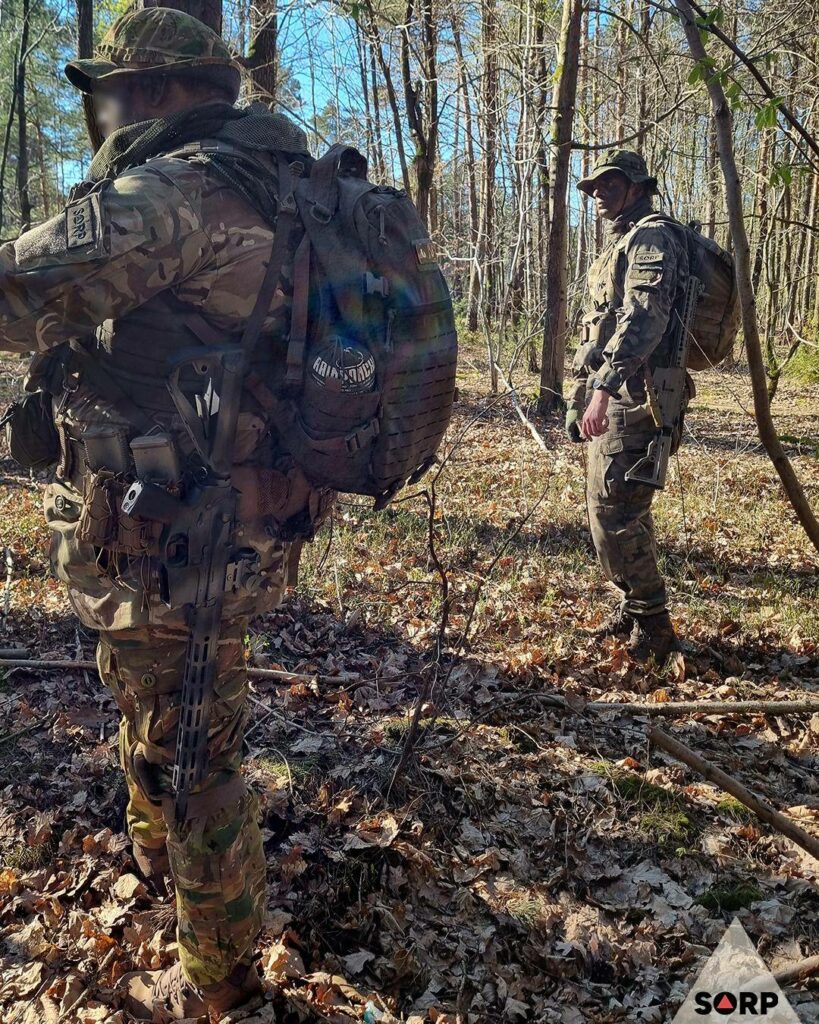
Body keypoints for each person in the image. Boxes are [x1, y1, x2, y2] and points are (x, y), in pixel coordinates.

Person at [0, 8, 333, 1019]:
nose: (105, 111)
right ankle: (160, 870)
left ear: (154, 91)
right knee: (168, 715)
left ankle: (225, 979)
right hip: (248, 511)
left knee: (195, 753)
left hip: (175, 532)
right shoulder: (292, 186)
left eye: (115, 91)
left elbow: (18, 291)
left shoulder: (180, 192)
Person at [565, 150, 692, 662]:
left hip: (641, 398)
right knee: (612, 507)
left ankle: (655, 629)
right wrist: (582, 391)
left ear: (637, 187)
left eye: (610, 186)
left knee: (617, 510)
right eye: (594, 188)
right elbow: (599, 326)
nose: (598, 196)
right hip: (618, 391)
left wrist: (602, 389)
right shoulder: (621, 241)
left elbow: (642, 320)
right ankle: (632, 605)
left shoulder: (652, 237)